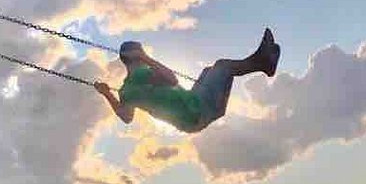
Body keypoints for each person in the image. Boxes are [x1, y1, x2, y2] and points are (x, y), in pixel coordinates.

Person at [94, 28, 280, 133]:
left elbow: (126, 116)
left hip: (192, 115)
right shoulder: (142, 75)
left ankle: (263, 61)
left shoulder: (126, 90)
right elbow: (172, 79)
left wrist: (107, 93)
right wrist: (146, 59)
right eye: (141, 52)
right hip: (198, 109)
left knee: (210, 71)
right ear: (136, 56)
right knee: (222, 66)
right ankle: (263, 62)